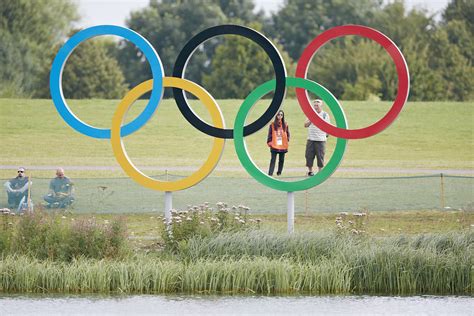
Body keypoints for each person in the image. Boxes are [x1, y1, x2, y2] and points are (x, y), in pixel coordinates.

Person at [304, 99, 330, 176]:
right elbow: (305, 125)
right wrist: (311, 119)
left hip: (321, 140)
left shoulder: (325, 115)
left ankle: (320, 172)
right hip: (311, 139)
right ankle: (310, 171)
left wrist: (325, 136)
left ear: (321, 106)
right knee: (309, 156)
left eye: (317, 105)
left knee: (320, 156)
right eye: (314, 105)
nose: (315, 106)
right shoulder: (310, 114)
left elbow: (328, 127)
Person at [267, 110, 290, 176]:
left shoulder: (285, 124)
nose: (280, 116)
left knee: (281, 160)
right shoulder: (272, 125)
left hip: (282, 145)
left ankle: (279, 172)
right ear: (276, 116)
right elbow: (270, 134)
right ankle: (270, 174)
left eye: (281, 115)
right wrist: (269, 142)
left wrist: (287, 140)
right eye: (278, 115)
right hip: (274, 145)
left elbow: (288, 133)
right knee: (273, 160)